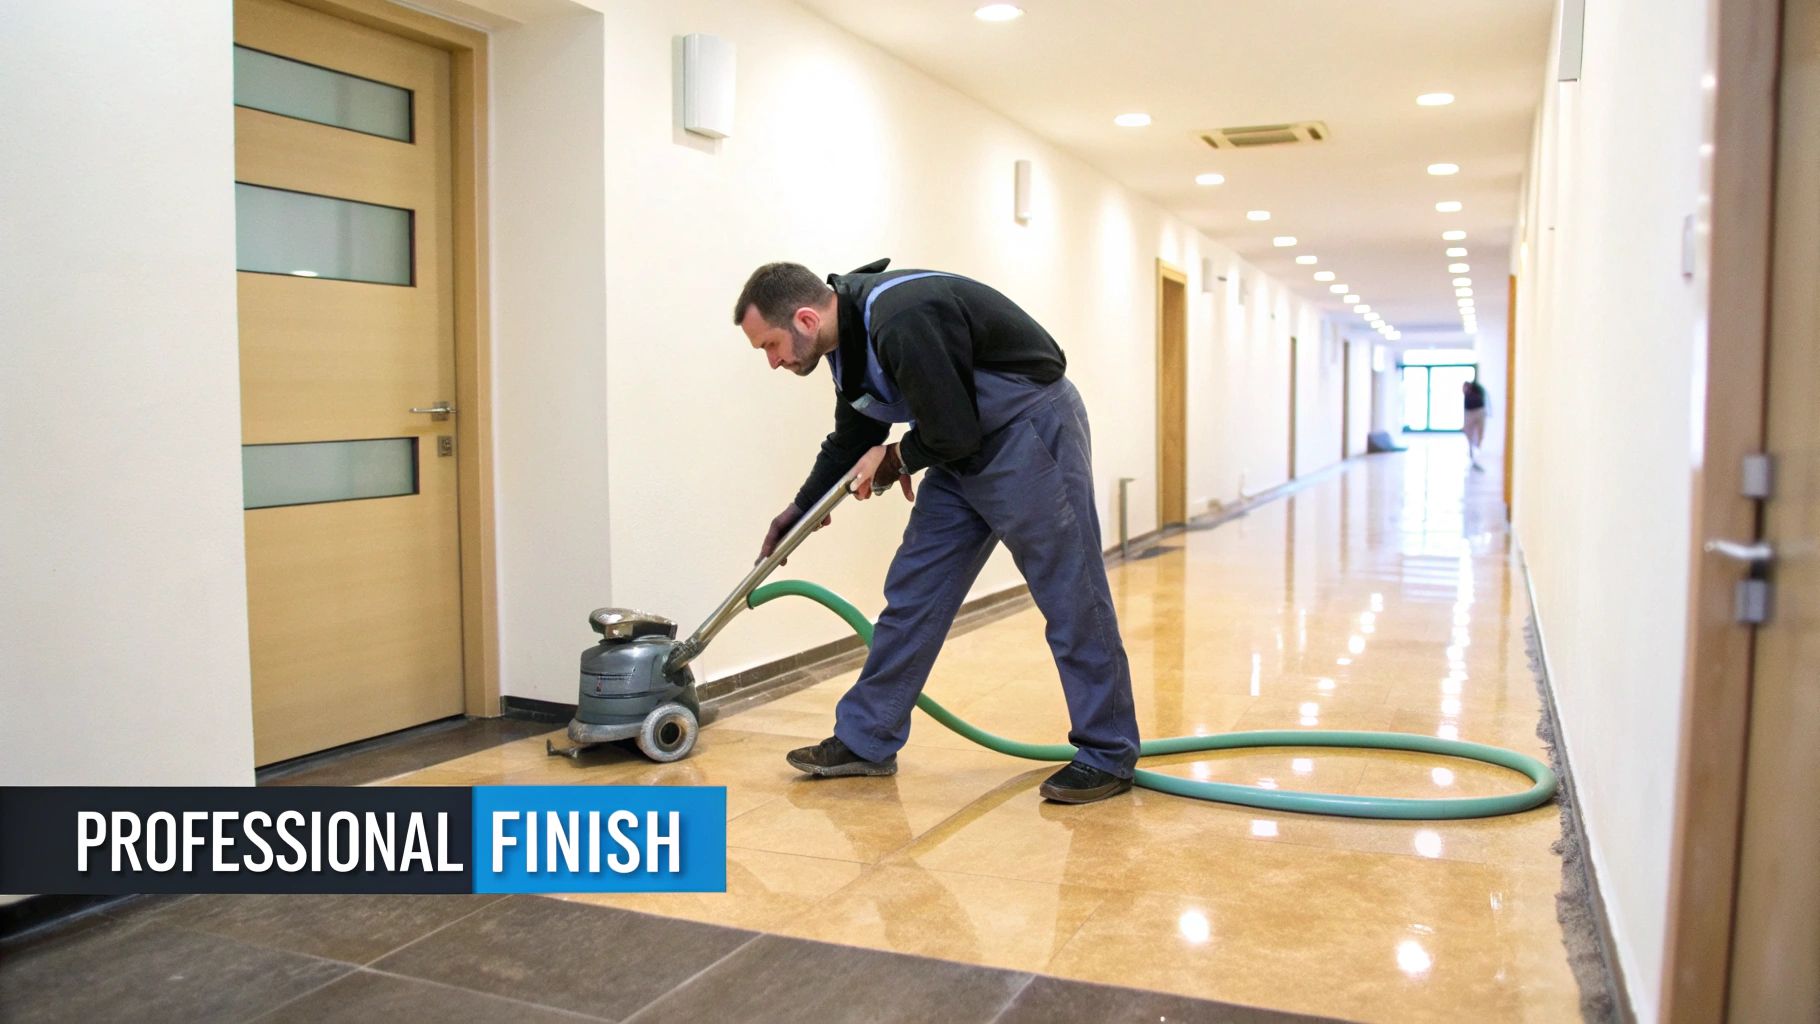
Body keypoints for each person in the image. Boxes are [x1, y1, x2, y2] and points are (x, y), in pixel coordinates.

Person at [733, 259, 1142, 804]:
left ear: (805, 319)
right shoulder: (844, 344)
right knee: (913, 594)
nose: (773, 362)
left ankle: (1107, 752)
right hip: (958, 450)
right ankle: (866, 740)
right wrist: (800, 509)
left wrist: (898, 457)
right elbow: (857, 434)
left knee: (1070, 594)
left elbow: (949, 429)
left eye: (770, 346)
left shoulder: (900, 316)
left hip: (1027, 434)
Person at [1462, 379, 1488, 470]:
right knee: (1470, 435)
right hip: (1470, 414)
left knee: (1479, 435)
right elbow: (1465, 412)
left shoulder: (1477, 392)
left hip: (1479, 412)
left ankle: (1476, 454)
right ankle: (1472, 453)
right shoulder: (1466, 397)